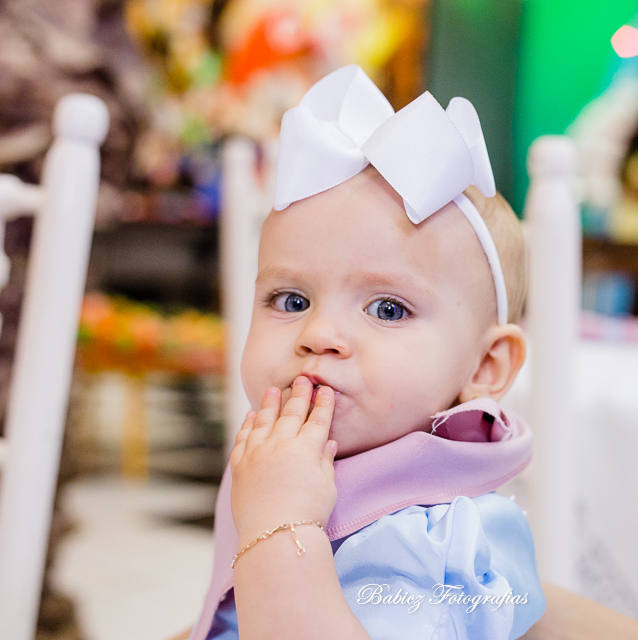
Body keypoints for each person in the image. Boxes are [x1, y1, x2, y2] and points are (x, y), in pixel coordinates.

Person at [189, 64, 544, 640]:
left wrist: (281, 523)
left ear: (484, 367)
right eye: (291, 298)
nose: (319, 333)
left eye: (387, 309)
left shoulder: (431, 543)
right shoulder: (291, 461)